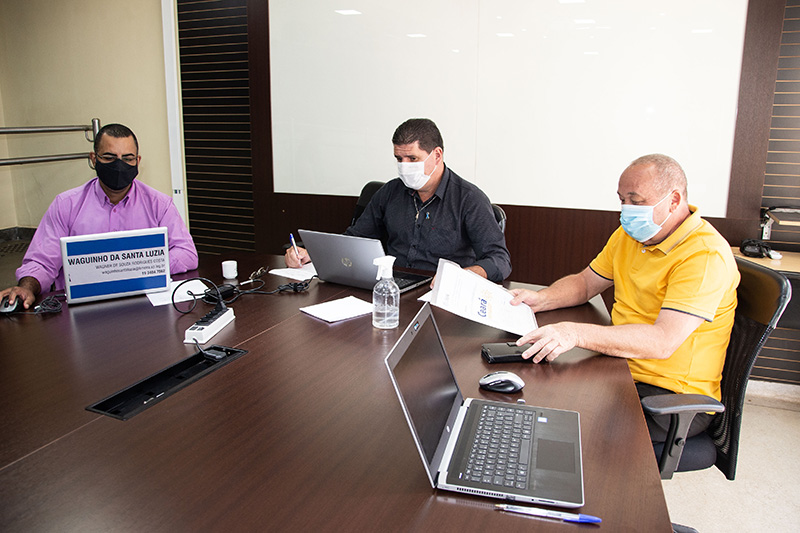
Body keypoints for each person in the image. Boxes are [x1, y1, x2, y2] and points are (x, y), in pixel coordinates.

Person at [510, 154, 739, 442]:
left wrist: (574, 333)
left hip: (668, 397)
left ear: (674, 200)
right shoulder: (630, 236)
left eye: (636, 201)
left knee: (561, 431)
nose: (626, 211)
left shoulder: (705, 255)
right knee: (532, 396)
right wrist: (541, 299)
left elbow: (662, 341)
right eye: (622, 200)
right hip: (619, 366)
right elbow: (584, 283)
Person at [284, 118, 512, 283]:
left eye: (412, 158)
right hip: (390, 286)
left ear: (437, 155)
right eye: (398, 158)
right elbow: (355, 239)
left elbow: (500, 260)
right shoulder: (390, 192)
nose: (404, 166)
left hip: (441, 293)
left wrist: (461, 276)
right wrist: (309, 254)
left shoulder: (469, 199)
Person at [0, 123, 198, 309]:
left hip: (144, 304)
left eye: (127, 158)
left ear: (137, 161)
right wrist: (26, 288)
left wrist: (137, 267)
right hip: (80, 308)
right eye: (109, 157)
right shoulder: (66, 204)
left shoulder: (159, 204)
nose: (119, 165)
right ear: (94, 159)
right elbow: (41, 262)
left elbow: (186, 253)